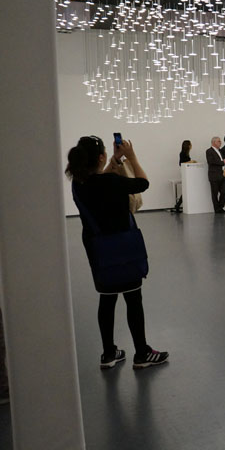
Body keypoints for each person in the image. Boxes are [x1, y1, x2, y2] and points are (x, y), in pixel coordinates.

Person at [66, 136, 168, 369]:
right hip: (123, 247)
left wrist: (114, 159)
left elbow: (99, 180)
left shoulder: (79, 184)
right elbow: (143, 183)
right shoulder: (111, 181)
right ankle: (142, 353)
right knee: (133, 299)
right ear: (100, 157)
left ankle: (109, 353)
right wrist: (131, 157)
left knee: (107, 298)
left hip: (97, 250)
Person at [206, 136, 225, 214]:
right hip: (214, 175)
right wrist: (222, 162)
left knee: (224, 191)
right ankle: (217, 209)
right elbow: (211, 161)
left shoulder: (220, 151)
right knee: (214, 193)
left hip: (222, 174)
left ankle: (220, 207)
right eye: (218, 141)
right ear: (214, 142)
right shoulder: (209, 151)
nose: (220, 142)